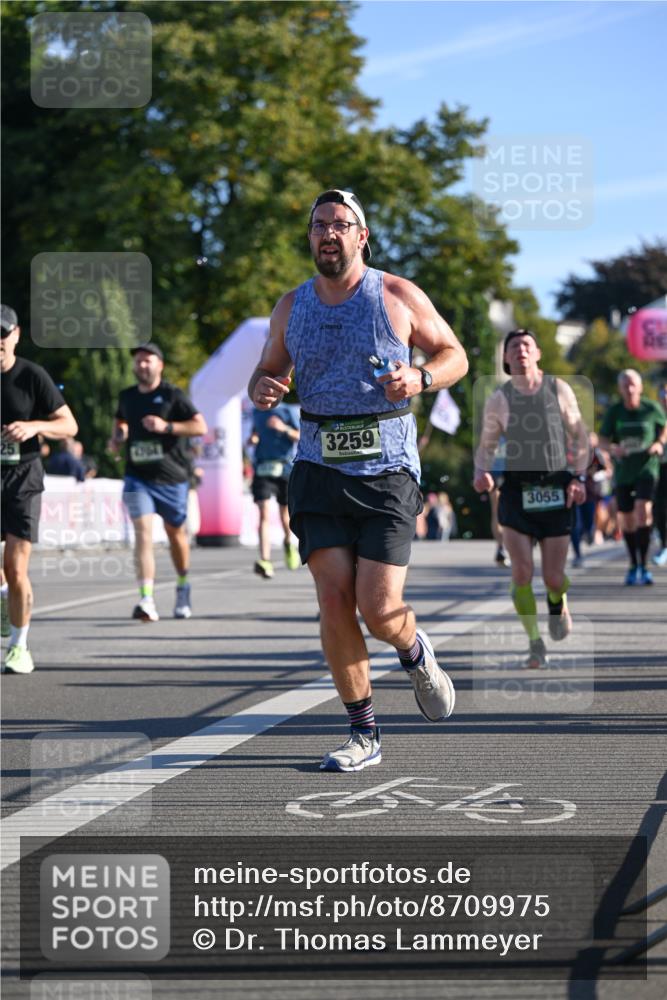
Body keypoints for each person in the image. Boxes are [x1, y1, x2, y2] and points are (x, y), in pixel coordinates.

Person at [248, 188, 468, 772]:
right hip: (318, 468)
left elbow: (455, 354)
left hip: (387, 468)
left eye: (339, 225)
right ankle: (363, 734)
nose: (327, 234)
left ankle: (415, 651)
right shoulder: (291, 306)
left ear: (361, 235)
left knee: (379, 606)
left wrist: (420, 378)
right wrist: (263, 386)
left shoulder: (396, 295)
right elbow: (269, 370)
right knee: (333, 596)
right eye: (318, 225)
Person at [473, 329, 589, 669]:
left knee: (554, 577)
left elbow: (580, 436)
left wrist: (580, 476)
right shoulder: (500, 398)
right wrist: (481, 472)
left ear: (537, 352)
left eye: (526, 345)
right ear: (506, 359)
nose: (520, 350)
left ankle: (557, 601)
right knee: (521, 572)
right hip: (517, 493)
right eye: (513, 347)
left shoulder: (559, 389)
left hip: (556, 488)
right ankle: (535, 643)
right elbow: (486, 447)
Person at [1, 304, 78, 673]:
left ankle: (19, 646)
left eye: (4, 334)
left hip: (23, 479)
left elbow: (69, 426)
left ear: (16, 335)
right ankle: (7, 601)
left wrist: (33, 427)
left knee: (15, 568)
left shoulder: (31, 376)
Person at [110, 343, 207, 621]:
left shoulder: (172, 394)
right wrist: (118, 436)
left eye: (147, 360)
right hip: (137, 476)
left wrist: (167, 427)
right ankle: (146, 599)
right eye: (138, 361)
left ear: (159, 365)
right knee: (143, 533)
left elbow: (199, 426)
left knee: (176, 536)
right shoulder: (127, 396)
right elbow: (121, 422)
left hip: (172, 478)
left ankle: (182, 584)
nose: (142, 365)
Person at [599, 369, 667, 585]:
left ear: (639, 387)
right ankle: (633, 563)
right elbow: (602, 440)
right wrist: (613, 448)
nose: (629, 389)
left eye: (632, 384)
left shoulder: (651, 408)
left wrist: (658, 443)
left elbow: (664, 427)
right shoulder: (615, 412)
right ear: (620, 389)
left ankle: (645, 566)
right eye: (625, 385)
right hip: (623, 471)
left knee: (643, 511)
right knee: (627, 519)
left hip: (647, 468)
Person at [248, 403, 300, 579]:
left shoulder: (287, 411)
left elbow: (300, 436)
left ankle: (288, 543)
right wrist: (253, 438)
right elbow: (255, 433)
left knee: (284, 515)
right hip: (262, 468)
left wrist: (283, 428)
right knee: (263, 512)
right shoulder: (256, 412)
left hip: (284, 468)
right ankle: (265, 560)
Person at [652, 382, 667, 567]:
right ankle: (664, 545)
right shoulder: (653, 416)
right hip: (659, 467)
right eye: (663, 393)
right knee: (660, 508)